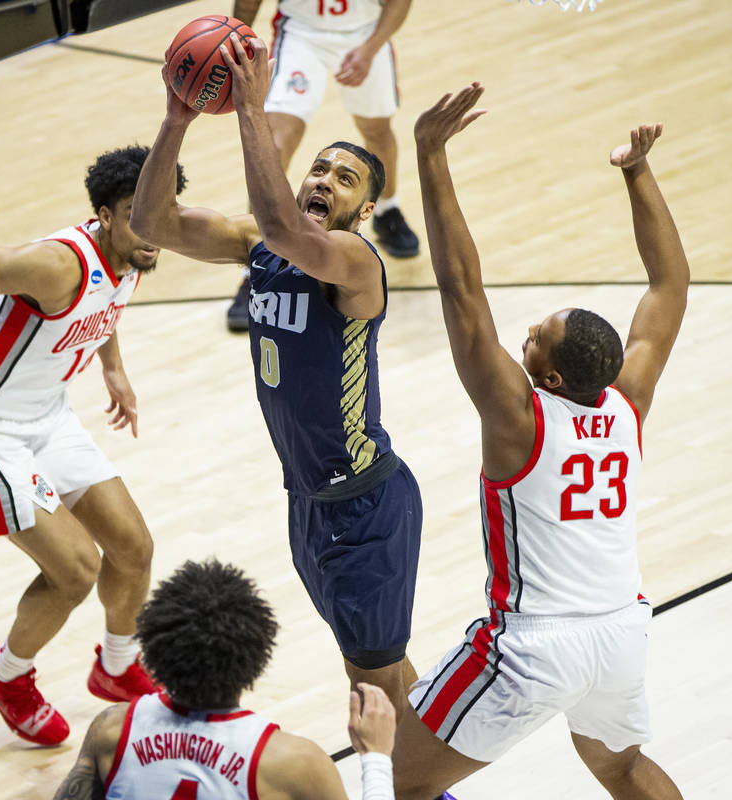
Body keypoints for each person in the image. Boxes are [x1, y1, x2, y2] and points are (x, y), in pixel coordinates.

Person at [391, 84, 687, 799]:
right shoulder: (626, 403)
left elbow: (462, 288)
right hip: (620, 631)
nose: (522, 334)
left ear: (549, 374)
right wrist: (636, 173)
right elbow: (669, 282)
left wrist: (430, 155)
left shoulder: (517, 417)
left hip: (534, 644)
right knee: (620, 767)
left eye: (534, 339)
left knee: (397, 780)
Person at [130, 37, 423, 720]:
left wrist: (249, 111)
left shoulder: (355, 263)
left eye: (344, 180)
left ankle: (414, 786)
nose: (323, 180)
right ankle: (426, 777)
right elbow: (151, 222)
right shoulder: (258, 246)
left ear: (365, 212)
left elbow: (285, 229)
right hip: (308, 501)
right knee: (379, 667)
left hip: (363, 506)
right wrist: (177, 119)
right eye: (319, 168)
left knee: (368, 687)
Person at [0, 145, 187, 746]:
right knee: (76, 570)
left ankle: (116, 669)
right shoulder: (57, 265)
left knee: (133, 548)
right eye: (135, 215)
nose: (152, 231)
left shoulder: (137, 251)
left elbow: (107, 306)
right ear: (104, 215)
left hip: (48, 418)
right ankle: (4, 675)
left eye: (161, 212)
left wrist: (112, 366)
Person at [53, 559, 398, 799]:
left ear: (154, 649)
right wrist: (376, 756)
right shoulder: (293, 762)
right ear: (256, 657)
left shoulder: (112, 729)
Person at [224, 0, 419, 332]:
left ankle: (387, 210)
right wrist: (231, 46)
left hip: (365, 32)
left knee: (377, 130)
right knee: (274, 145)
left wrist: (371, 48)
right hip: (302, 33)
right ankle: (256, 266)